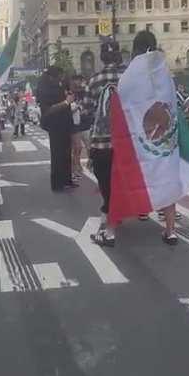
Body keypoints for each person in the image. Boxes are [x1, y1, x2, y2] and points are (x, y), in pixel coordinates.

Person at [124, 30, 179, 245]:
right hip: (167, 133)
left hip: (142, 132)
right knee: (167, 178)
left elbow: (125, 99)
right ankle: (171, 230)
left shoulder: (132, 71)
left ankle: (143, 210)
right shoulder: (162, 67)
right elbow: (172, 98)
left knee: (143, 173)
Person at [84, 40, 122, 246]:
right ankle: (116, 219)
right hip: (126, 144)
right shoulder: (127, 78)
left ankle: (109, 232)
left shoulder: (94, 80)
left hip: (101, 145)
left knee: (106, 186)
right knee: (121, 184)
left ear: (101, 58)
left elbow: (87, 110)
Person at [42, 91, 78, 192]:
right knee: (57, 157)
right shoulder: (56, 106)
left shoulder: (66, 104)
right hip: (56, 133)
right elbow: (47, 115)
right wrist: (66, 102)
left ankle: (67, 181)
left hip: (65, 131)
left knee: (66, 157)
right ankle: (57, 184)